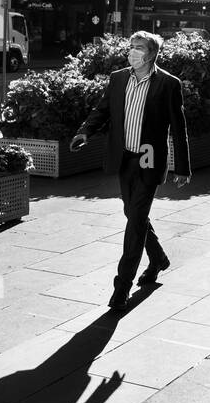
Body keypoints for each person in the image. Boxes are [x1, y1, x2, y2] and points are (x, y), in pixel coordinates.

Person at [69, 31, 192, 312]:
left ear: (152, 54)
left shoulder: (168, 84)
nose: (133, 51)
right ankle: (158, 258)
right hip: (124, 158)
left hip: (150, 159)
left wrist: (182, 167)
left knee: (135, 221)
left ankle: (122, 286)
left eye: (139, 47)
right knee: (133, 215)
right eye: (131, 46)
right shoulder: (119, 78)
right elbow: (102, 111)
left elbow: (178, 127)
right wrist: (84, 132)